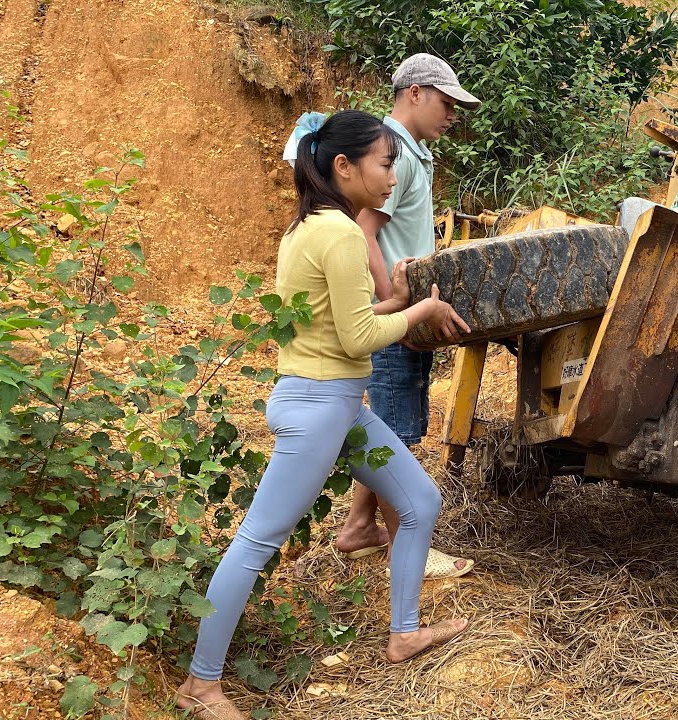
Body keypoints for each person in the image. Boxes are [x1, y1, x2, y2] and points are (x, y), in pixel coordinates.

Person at [175, 110, 472, 720]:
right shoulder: (338, 233)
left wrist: (406, 296)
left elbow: (348, 317)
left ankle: (404, 632)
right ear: (345, 166)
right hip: (318, 410)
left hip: (337, 405)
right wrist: (416, 315)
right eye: (385, 164)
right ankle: (200, 686)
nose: (393, 176)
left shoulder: (308, 228)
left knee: (419, 502)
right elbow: (361, 336)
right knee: (256, 543)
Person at [333, 53, 480, 579]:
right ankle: (403, 549)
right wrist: (397, 305)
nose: (451, 116)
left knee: (391, 427)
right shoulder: (394, 155)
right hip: (398, 315)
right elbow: (365, 231)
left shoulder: (410, 154)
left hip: (404, 311)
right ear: (414, 92)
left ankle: (358, 527)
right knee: (396, 436)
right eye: (445, 103)